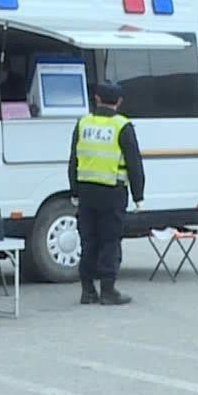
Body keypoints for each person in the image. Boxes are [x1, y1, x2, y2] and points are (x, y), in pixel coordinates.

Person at [67, 81, 145, 305]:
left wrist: (74, 191)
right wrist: (138, 195)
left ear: (97, 99)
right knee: (110, 240)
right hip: (112, 192)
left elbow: (73, 161)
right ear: (119, 101)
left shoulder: (83, 124)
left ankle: (87, 290)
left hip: (86, 191)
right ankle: (108, 290)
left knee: (88, 240)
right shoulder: (122, 126)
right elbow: (134, 163)